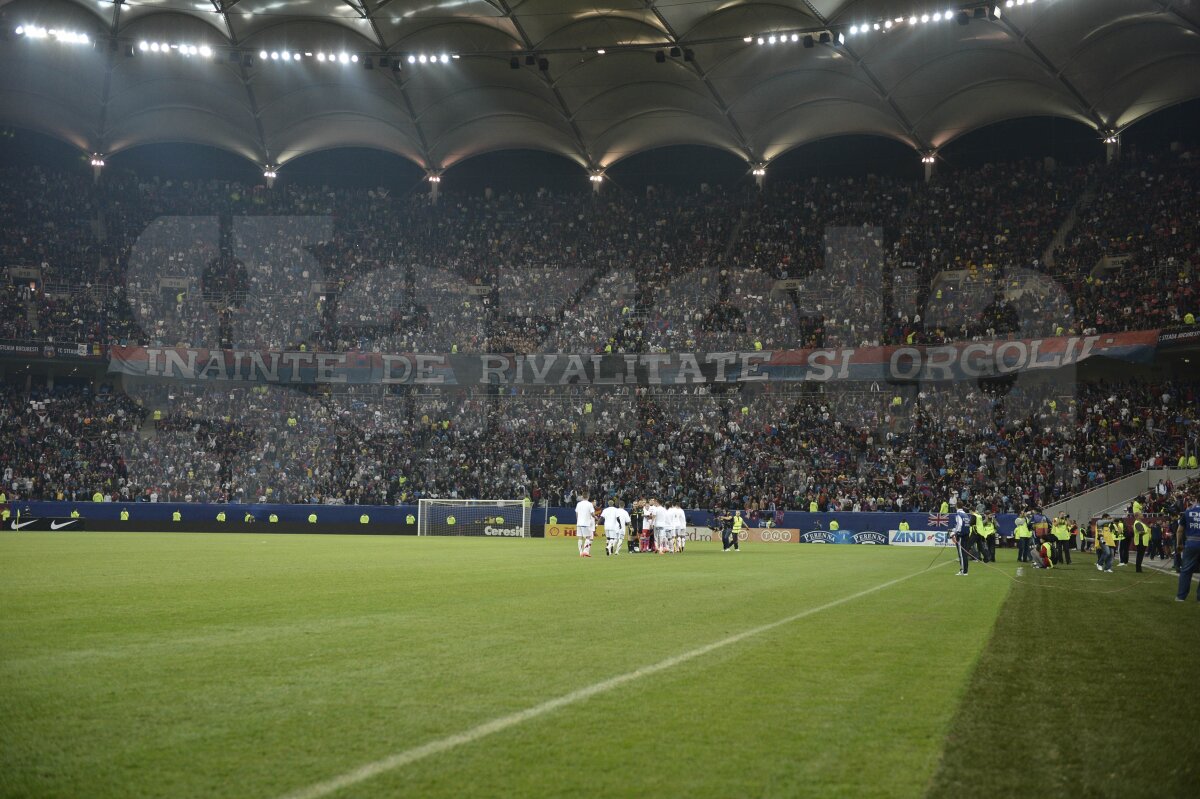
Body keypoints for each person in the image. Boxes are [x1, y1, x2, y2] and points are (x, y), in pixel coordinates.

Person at [1175, 495, 1200, 602]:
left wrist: (1179, 545)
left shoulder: (1188, 512)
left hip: (1191, 543)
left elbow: (1179, 531)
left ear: (1196, 501)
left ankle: (1181, 597)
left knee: (1186, 570)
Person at [949, 506, 971, 575]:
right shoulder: (966, 514)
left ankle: (963, 571)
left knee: (961, 554)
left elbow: (959, 525)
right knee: (964, 553)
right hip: (966, 535)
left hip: (961, 535)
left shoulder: (958, 514)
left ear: (956, 507)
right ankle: (965, 570)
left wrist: (954, 532)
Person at [574, 492, 596, 558]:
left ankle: (581, 553)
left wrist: (578, 520)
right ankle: (585, 551)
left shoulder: (578, 504)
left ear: (582, 497)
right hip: (586, 523)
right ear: (588, 497)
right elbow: (592, 513)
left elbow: (576, 513)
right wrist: (595, 517)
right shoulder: (589, 504)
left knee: (580, 537)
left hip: (579, 523)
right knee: (588, 537)